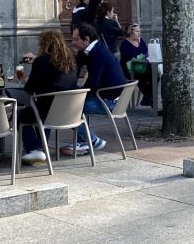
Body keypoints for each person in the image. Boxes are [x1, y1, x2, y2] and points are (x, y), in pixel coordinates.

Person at [65, 22, 126, 155]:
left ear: (87, 39)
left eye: (76, 39)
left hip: (108, 102)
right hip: (112, 98)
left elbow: (93, 84)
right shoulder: (95, 49)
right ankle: (83, 142)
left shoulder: (97, 54)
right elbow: (78, 71)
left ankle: (92, 141)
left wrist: (75, 94)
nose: (72, 43)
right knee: (75, 104)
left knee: (70, 110)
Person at [20, 30, 78, 165]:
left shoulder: (41, 62)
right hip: (71, 113)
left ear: (44, 45)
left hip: (49, 113)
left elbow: (29, 89)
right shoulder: (71, 61)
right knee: (44, 110)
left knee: (21, 115)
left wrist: (27, 78)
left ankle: (34, 150)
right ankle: (42, 149)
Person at [120, 22, 152, 107]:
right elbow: (131, 58)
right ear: (130, 32)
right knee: (141, 77)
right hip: (129, 69)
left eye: (139, 31)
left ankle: (147, 97)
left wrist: (139, 43)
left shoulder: (140, 41)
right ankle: (150, 98)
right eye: (137, 31)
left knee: (155, 74)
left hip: (141, 67)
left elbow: (146, 53)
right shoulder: (125, 44)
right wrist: (142, 56)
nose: (139, 33)